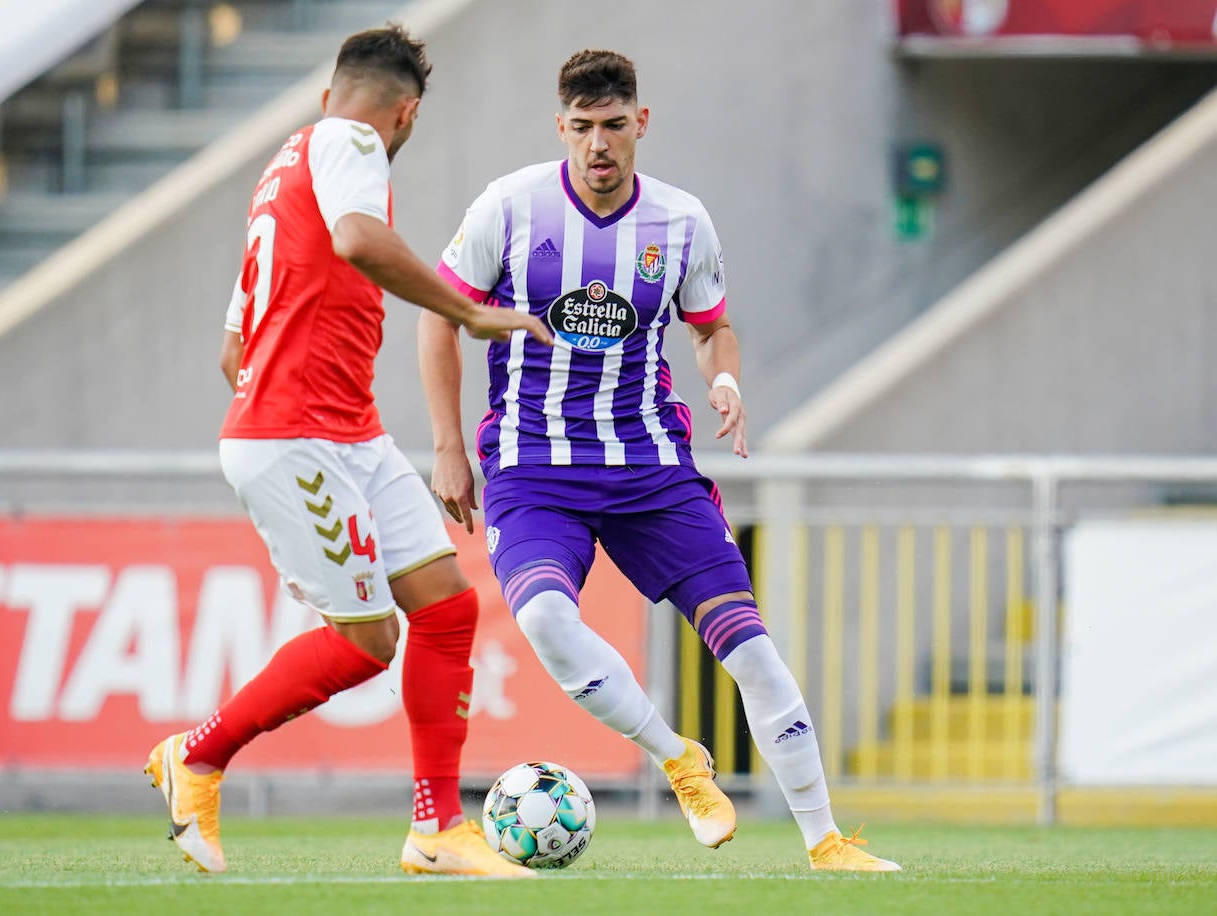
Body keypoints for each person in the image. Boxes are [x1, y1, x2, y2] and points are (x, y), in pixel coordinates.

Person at [418, 48, 899, 872]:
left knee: (751, 649)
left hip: (650, 470)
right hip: (535, 470)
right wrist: (448, 448)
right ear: (559, 126)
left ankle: (826, 842)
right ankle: (678, 756)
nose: (598, 146)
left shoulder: (680, 221)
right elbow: (439, 316)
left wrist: (725, 378)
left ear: (641, 123)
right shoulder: (510, 207)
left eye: (613, 126)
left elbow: (712, 326)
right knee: (540, 618)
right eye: (581, 128)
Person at [144, 24, 552, 878]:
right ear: (405, 115)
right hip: (300, 436)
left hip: (343, 432)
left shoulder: (283, 171)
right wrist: (471, 313)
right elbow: (360, 241)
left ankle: (436, 831)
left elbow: (233, 353)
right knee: (366, 641)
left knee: (445, 606)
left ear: (329, 91)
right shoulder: (353, 144)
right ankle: (199, 756)